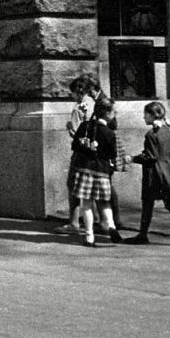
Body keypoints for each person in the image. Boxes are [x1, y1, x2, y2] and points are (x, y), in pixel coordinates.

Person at [124, 101, 170, 248]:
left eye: (145, 114)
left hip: (154, 173)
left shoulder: (151, 134)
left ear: (152, 115)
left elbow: (149, 156)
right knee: (169, 203)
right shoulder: (166, 131)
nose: (143, 116)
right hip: (167, 171)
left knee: (147, 202)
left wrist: (132, 158)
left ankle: (143, 235)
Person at [70, 97, 122, 247]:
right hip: (102, 172)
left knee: (86, 204)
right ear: (107, 113)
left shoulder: (85, 126)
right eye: (114, 111)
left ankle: (89, 237)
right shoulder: (110, 133)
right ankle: (111, 225)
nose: (115, 114)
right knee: (105, 203)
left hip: (85, 170)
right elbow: (112, 154)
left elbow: (75, 146)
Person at [60, 74, 100, 233]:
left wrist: (70, 127)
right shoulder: (94, 104)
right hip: (95, 149)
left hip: (81, 152)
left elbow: (76, 134)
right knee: (93, 185)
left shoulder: (78, 108)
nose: (71, 96)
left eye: (72, 93)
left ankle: (74, 222)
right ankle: (97, 219)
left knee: (73, 185)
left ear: (78, 92)